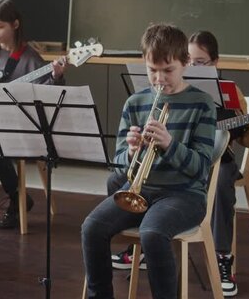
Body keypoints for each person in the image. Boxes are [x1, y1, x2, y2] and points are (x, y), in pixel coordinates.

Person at [81, 23, 216, 299]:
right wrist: (130, 151)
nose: (159, 79)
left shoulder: (202, 103)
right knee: (91, 228)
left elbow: (200, 168)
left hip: (184, 195)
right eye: (152, 70)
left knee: (152, 233)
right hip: (140, 190)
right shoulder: (135, 103)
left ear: (185, 63)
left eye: (168, 70)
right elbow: (117, 165)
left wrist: (169, 144)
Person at [188, 30, 249, 297]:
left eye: (200, 62)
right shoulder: (177, 86)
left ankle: (222, 258)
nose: (192, 67)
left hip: (219, 160)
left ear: (215, 62)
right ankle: (149, 244)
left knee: (219, 183)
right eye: (187, 60)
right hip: (186, 158)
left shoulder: (230, 92)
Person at [0, 0, 65, 231]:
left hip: (21, 123)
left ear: (15, 25)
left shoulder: (31, 59)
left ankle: (18, 199)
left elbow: (45, 98)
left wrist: (56, 76)